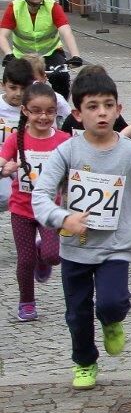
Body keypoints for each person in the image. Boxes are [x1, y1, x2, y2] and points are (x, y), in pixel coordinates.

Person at [32, 70, 131, 390]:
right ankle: (85, 361)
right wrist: (62, 218)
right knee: (77, 313)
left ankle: (112, 320)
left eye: (108, 105)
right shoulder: (67, 151)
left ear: (117, 109)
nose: (101, 112)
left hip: (115, 246)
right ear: (77, 113)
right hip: (76, 246)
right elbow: (41, 195)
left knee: (111, 302)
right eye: (93, 106)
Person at [0, 82, 69, 321]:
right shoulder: (16, 139)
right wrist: (5, 168)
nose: (44, 116)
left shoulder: (63, 140)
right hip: (21, 209)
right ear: (25, 112)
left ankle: (43, 257)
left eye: (50, 111)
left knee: (53, 255)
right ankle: (26, 301)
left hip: (50, 209)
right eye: (37, 111)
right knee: (25, 259)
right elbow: (1, 162)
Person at [0, 0, 83, 100]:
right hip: (22, 55)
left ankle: (59, 113)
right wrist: (8, 54)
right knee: (14, 81)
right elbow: (2, 35)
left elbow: (66, 31)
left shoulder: (53, 6)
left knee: (61, 77)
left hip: (51, 52)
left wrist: (75, 55)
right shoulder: (14, 7)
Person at [0, 57, 35, 211]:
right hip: (1, 163)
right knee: (6, 196)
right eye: (13, 88)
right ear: (3, 86)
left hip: (26, 164)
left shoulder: (35, 109)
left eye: (23, 88)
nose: (18, 93)